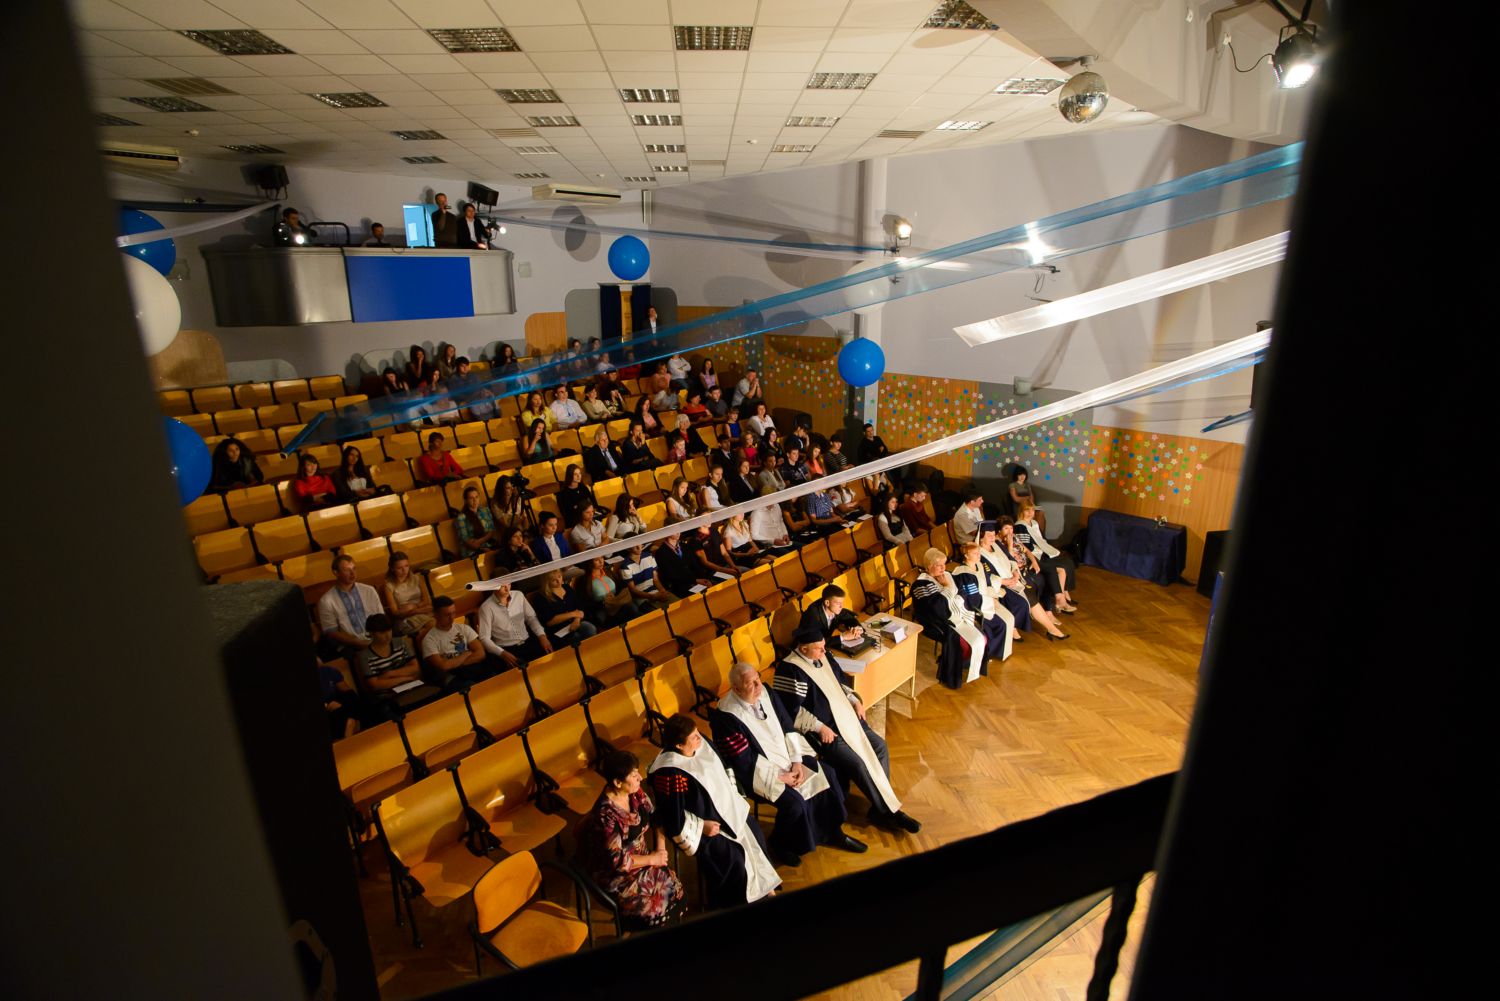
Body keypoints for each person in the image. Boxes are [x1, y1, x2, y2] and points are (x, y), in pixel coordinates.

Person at [711, 662, 866, 866]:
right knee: (794, 804)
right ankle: (780, 843)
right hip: (758, 773)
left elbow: (787, 726)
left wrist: (796, 762)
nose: (758, 686)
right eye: (751, 684)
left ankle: (833, 832)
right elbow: (742, 760)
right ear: (737, 689)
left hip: (788, 757)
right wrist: (779, 776)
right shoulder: (725, 717)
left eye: (758, 679)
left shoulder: (766, 692)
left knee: (827, 775)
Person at [772, 628, 921, 834]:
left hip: (848, 718)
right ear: (804, 649)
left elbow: (840, 683)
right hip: (827, 730)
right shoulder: (790, 670)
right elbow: (790, 711)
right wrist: (819, 727)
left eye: (824, 647)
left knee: (879, 746)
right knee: (857, 763)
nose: (824, 652)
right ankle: (887, 811)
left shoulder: (823, 656)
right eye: (819, 649)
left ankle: (881, 807)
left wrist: (854, 700)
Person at [648, 714, 780, 909]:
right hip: (706, 826)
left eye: (697, 732)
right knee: (735, 859)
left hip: (729, 809)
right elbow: (671, 816)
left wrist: (734, 798)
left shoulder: (701, 742)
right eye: (693, 737)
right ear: (679, 745)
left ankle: (767, 889)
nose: (699, 738)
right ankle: (741, 905)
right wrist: (703, 826)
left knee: (755, 835)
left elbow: (725, 766)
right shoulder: (669, 773)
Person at [581, 750, 685, 929]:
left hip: (645, 860)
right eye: (633, 774)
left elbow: (656, 816)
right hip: (618, 876)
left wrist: (660, 849)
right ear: (617, 782)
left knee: (678, 893)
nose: (639, 777)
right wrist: (652, 859)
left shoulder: (635, 792)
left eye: (637, 771)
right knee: (656, 914)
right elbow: (618, 862)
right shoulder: (606, 816)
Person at [911, 548, 989, 689]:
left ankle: (966, 664)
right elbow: (937, 609)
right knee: (963, 642)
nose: (943, 568)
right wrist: (947, 588)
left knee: (981, 637)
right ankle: (953, 672)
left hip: (957, 614)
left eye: (944, 564)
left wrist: (954, 598)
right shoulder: (921, 584)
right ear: (929, 566)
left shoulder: (947, 575)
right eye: (939, 565)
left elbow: (962, 593)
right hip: (937, 622)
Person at [998, 518, 1069, 640]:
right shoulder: (999, 544)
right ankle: (1051, 627)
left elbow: (1026, 550)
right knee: (1031, 592)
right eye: (1006, 528)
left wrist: (1034, 561)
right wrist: (1010, 545)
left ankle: (1051, 611)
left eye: (1011, 528)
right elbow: (1009, 561)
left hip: (1026, 567)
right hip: (1014, 574)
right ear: (999, 531)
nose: (1009, 531)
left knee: (1048, 575)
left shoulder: (1014, 537)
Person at [952, 540, 1016, 664]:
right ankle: (989, 652)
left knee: (1009, 617)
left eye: (979, 552)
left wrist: (995, 594)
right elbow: (971, 598)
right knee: (1000, 623)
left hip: (987, 599)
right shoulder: (964, 573)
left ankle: (1001, 652)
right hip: (975, 606)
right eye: (975, 553)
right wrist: (990, 602)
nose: (979, 555)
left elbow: (988, 581)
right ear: (966, 556)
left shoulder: (979, 565)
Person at [353, 614, 424, 715]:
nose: (388, 635)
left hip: (411, 686)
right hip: (387, 696)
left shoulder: (400, 642)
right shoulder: (365, 656)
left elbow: (415, 668)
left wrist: (389, 674)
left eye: (389, 630)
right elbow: (375, 685)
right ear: (371, 633)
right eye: (382, 632)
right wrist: (405, 678)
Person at [316, 554, 383, 659]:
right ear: (336, 573)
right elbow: (331, 632)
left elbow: (381, 617)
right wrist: (356, 642)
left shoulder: (369, 590)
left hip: (377, 639)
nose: (352, 573)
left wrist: (379, 638)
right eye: (347, 570)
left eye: (354, 568)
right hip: (351, 646)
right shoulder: (326, 600)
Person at [1015, 501, 1077, 613]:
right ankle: (1060, 600)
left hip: (1042, 552)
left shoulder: (1034, 523)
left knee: (1068, 562)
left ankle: (1064, 594)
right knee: (1060, 568)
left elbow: (1042, 539)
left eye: (1032, 510)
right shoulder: (1020, 526)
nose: (1030, 513)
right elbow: (1026, 547)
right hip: (1034, 556)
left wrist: (1048, 549)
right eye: (1027, 510)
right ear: (1021, 511)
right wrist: (1042, 553)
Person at [475, 581, 551, 671]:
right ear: (493, 587)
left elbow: (531, 618)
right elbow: (484, 638)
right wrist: (502, 653)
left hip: (527, 641)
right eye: (502, 586)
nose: (507, 589)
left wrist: (542, 636)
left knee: (546, 665)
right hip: (507, 649)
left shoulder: (518, 595)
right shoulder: (486, 608)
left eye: (508, 584)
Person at [976, 521, 1034, 637]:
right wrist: (1003, 581)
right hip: (997, 585)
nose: (993, 537)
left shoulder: (997, 544)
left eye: (994, 534)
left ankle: (1013, 626)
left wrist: (1015, 572)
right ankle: (1011, 627)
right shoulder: (978, 553)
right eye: (989, 535)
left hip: (1011, 579)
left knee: (1031, 592)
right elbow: (984, 574)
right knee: (1020, 603)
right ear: (981, 537)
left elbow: (1010, 558)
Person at [421, 596, 489, 689]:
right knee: (470, 687)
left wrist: (454, 664)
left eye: (453, 613)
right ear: (436, 615)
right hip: (451, 677)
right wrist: (466, 654)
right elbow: (443, 666)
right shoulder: (429, 639)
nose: (452, 618)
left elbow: (481, 653)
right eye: (447, 615)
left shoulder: (463, 628)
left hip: (469, 669)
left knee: (491, 676)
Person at [532, 569, 598, 644]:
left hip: (575, 622)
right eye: (554, 580)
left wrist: (576, 621)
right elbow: (549, 622)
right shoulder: (541, 597)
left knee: (590, 628)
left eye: (559, 577)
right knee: (575, 637)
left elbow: (580, 607)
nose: (558, 581)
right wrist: (572, 614)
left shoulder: (567, 587)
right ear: (547, 582)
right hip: (559, 631)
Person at [382, 551, 434, 644]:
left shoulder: (416, 578)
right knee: (432, 626)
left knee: (438, 624)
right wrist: (415, 611)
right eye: (399, 568)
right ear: (392, 568)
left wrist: (414, 607)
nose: (404, 570)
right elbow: (395, 613)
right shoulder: (389, 586)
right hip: (404, 618)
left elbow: (426, 600)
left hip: (422, 611)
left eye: (406, 566)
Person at [799, 584, 864, 647]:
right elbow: (816, 643)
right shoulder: (812, 616)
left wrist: (857, 628)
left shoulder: (834, 608)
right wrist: (843, 637)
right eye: (838, 603)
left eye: (842, 603)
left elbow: (849, 618)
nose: (841, 606)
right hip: (807, 648)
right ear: (827, 603)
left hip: (825, 645)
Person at [583, 556, 640, 625]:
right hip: (601, 607)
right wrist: (604, 601)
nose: (601, 562)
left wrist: (615, 596)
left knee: (632, 608)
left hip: (616, 601)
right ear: (590, 562)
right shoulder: (585, 580)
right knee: (603, 618)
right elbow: (586, 602)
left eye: (602, 558)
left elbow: (620, 586)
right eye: (596, 560)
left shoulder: (608, 571)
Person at [653, 532, 708, 600]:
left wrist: (705, 579)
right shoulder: (661, 553)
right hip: (679, 587)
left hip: (694, 581)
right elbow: (671, 575)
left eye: (679, 530)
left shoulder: (684, 545)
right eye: (674, 530)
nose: (678, 533)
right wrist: (695, 581)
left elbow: (695, 565)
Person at [456, 485, 498, 554]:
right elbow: (466, 541)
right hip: (472, 551)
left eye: (476, 497)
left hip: (487, 544)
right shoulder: (461, 517)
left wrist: (479, 541)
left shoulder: (485, 510)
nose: (475, 500)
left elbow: (491, 531)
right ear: (466, 501)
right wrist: (480, 548)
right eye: (471, 498)